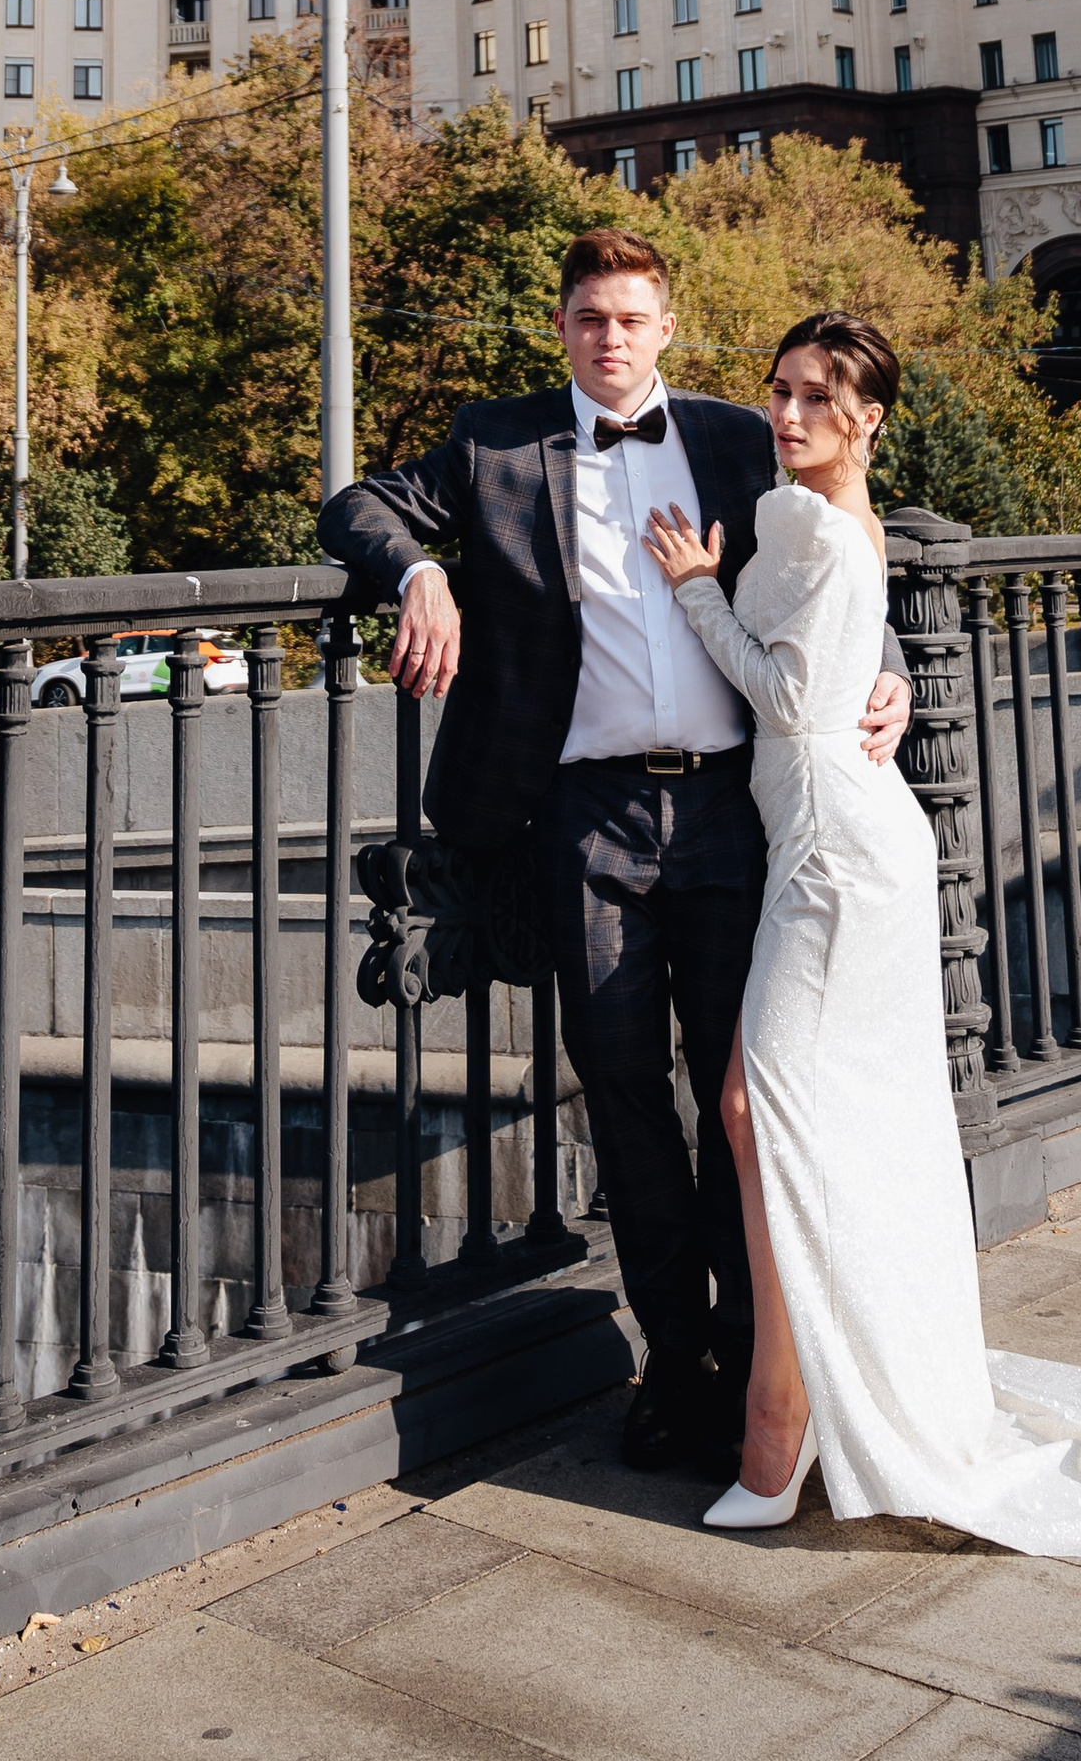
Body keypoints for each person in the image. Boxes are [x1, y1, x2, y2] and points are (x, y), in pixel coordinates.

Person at [641, 310, 1081, 1554]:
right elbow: (840, 646)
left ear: (868, 417)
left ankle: (780, 1418)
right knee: (802, 1119)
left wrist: (698, 592)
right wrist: (877, 658)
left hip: (838, 853)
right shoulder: (812, 513)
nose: (789, 412)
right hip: (824, 842)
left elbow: (785, 695)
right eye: (781, 388)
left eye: (819, 396)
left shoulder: (820, 525)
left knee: (758, 1112)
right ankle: (806, 1388)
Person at [319, 226, 911, 1477]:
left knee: (744, 1108)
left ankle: (763, 1372)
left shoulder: (741, 435)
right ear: (562, 324)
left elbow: (842, 558)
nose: (611, 338)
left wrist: (893, 670)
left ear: (667, 326)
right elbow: (354, 503)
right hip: (581, 819)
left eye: (633, 318)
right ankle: (675, 1367)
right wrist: (422, 571)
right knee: (627, 1100)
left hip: (732, 815)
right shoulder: (495, 443)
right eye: (590, 316)